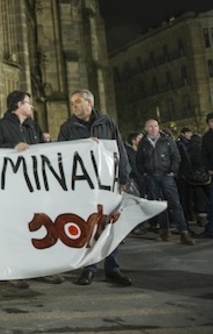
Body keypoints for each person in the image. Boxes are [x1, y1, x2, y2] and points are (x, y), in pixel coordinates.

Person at [0, 91, 62, 286]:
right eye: (28, 103)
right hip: (11, 188)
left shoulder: (33, 126)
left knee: (38, 227)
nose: (32, 106)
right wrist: (13, 146)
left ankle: (38, 268)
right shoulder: (0, 126)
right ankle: (13, 270)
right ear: (19, 105)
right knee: (15, 229)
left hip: (34, 186)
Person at [57, 89, 132, 287]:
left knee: (109, 225)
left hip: (107, 183)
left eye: (78, 102)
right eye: (72, 103)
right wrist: (84, 145)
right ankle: (89, 268)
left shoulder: (107, 122)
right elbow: (60, 154)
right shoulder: (68, 127)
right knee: (88, 227)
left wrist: (123, 177)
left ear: (90, 103)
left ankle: (112, 268)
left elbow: (120, 150)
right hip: (83, 186)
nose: (74, 106)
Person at [135, 119, 195, 245]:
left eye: (155, 126)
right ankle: (165, 231)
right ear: (146, 128)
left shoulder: (167, 141)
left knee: (175, 204)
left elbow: (176, 157)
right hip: (151, 177)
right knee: (159, 205)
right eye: (150, 126)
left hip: (166, 176)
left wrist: (172, 171)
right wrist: (144, 173)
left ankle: (184, 232)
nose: (153, 128)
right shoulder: (143, 144)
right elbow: (139, 160)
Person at [198, 112, 213, 239]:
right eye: (212, 121)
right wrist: (208, 169)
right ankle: (211, 230)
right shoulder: (207, 137)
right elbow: (204, 156)